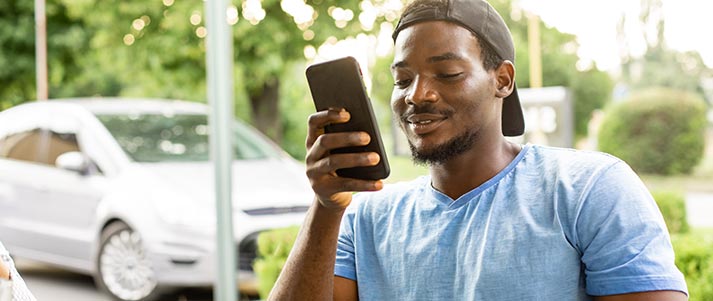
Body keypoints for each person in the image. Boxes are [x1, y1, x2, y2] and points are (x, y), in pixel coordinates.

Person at [269, 0, 688, 299]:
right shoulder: (365, 218)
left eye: (447, 73)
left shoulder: (588, 189)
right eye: (402, 79)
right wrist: (326, 207)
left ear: (502, 79)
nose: (418, 95)